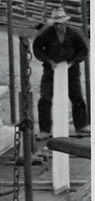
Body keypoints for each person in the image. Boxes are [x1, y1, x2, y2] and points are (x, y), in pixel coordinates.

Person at [32, 7, 89, 137]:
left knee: (77, 97)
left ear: (65, 22)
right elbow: (37, 49)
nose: (58, 26)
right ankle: (44, 130)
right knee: (45, 98)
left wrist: (72, 62)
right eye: (56, 24)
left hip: (71, 69)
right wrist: (48, 61)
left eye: (60, 24)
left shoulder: (74, 33)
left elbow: (83, 50)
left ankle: (81, 126)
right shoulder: (45, 33)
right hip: (51, 69)